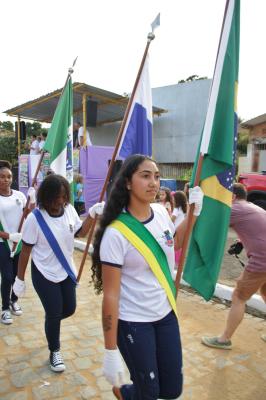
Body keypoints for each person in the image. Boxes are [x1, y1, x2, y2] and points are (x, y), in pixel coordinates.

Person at [91, 154, 203, 399]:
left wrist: (193, 214)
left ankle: (128, 393)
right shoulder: (116, 234)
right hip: (133, 321)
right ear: (128, 183)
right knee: (150, 393)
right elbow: (110, 294)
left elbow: (173, 245)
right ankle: (131, 392)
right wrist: (110, 350)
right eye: (145, 176)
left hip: (165, 314)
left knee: (172, 390)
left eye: (156, 176)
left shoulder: (161, 213)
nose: (154, 182)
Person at [13, 174, 105, 372]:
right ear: (45, 196)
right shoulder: (35, 219)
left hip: (66, 270)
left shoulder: (69, 210)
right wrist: (19, 279)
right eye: (55, 198)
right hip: (44, 273)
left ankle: (51, 324)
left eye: (63, 197)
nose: (60, 201)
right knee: (54, 312)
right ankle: (55, 350)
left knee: (69, 308)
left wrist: (92, 215)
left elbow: (80, 233)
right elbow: (26, 250)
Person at [201, 183, 266, 350]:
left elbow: (210, 225)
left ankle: (224, 339)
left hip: (262, 260)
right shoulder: (250, 206)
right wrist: (240, 243)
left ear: (233, 197)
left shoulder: (235, 209)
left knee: (239, 296)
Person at [0, 160, 36, 324]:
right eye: (2, 177)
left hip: (19, 243)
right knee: (7, 277)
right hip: (3, 243)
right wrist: (9, 236)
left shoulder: (19, 196)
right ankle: (4, 309)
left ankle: (13, 301)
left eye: (8, 176)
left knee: (16, 276)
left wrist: (32, 199)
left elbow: (28, 215)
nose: (6, 180)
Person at [171, 191, 188, 268]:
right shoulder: (183, 209)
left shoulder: (176, 209)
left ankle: (173, 262)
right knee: (180, 246)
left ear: (177, 200)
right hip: (182, 230)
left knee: (173, 245)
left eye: (173, 199)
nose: (172, 201)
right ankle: (177, 262)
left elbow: (172, 220)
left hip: (175, 230)